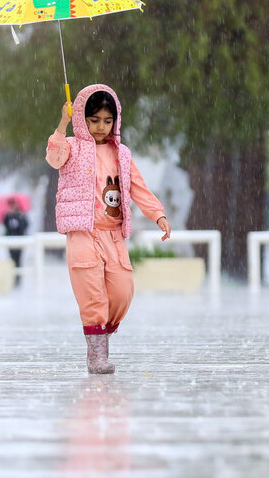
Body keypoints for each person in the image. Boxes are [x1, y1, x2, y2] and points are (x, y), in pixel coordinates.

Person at [46, 83, 171, 374]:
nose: (100, 127)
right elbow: (54, 158)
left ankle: (101, 332)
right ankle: (97, 355)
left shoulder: (121, 153)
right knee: (92, 294)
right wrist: (63, 124)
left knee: (121, 290)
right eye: (93, 120)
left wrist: (158, 215)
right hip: (83, 233)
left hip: (113, 235)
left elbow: (137, 187)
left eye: (107, 120)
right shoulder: (72, 148)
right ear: (82, 119)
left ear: (115, 121)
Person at [2, 199, 29, 280]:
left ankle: (18, 278)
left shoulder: (21, 216)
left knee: (19, 259)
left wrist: (20, 217)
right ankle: (13, 277)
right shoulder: (8, 216)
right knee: (12, 260)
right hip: (11, 240)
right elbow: (6, 226)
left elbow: (25, 226)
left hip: (19, 240)